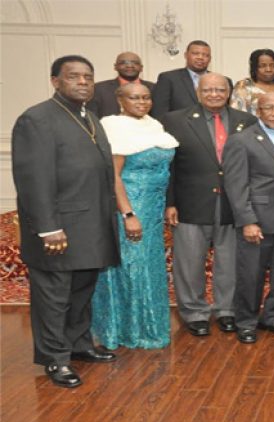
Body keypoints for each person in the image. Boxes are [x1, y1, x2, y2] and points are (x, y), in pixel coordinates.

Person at [12, 55, 119, 388]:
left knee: (82, 290)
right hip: (58, 229)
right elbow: (34, 179)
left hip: (91, 227)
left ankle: (78, 344)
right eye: (74, 77)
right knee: (54, 297)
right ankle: (55, 360)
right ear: (55, 81)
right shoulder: (37, 119)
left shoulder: (90, 116)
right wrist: (48, 226)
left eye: (88, 76)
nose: (83, 82)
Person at [161, 73, 258, 337]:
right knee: (189, 261)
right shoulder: (174, 120)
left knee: (229, 262)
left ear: (228, 92)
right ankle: (194, 312)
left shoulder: (246, 121)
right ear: (198, 91)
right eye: (208, 90)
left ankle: (227, 310)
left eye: (219, 89)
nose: (214, 94)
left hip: (233, 203)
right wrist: (170, 202)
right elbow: (167, 165)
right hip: (190, 202)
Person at [92, 83, 179, 350]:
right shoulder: (114, 126)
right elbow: (114, 176)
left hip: (154, 208)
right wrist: (128, 214)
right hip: (131, 207)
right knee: (132, 268)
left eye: (145, 97)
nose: (141, 102)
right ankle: (128, 329)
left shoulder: (153, 124)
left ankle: (149, 326)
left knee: (149, 267)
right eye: (134, 97)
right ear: (120, 99)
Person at [223, 92, 274, 344]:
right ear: (259, 111)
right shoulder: (241, 140)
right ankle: (245, 322)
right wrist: (247, 220)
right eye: (270, 108)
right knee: (251, 274)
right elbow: (236, 185)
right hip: (257, 218)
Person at [151, 40, 232, 119]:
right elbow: (159, 113)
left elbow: (229, 112)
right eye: (195, 54)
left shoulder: (224, 81)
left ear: (210, 59)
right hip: (179, 129)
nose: (200, 57)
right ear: (186, 55)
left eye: (205, 55)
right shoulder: (168, 78)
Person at [230, 49, 274, 130]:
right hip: (252, 136)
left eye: (272, 65)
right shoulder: (244, 87)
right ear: (254, 68)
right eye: (263, 66)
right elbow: (237, 116)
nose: (268, 69)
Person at [87, 51, 155, 118]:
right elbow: (92, 117)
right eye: (123, 62)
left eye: (135, 63)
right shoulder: (98, 89)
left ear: (141, 68)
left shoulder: (154, 88)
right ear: (115, 67)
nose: (129, 66)